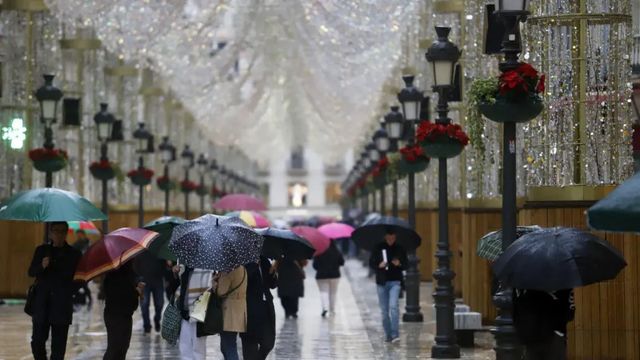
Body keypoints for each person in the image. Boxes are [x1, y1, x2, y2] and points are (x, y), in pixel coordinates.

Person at [27, 221, 82, 360]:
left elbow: (81, 278)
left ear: (66, 233)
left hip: (62, 305)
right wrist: (42, 266)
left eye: (62, 231)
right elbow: (31, 272)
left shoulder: (74, 254)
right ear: (50, 232)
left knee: (58, 348)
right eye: (55, 230)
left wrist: (69, 291)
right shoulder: (41, 250)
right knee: (37, 342)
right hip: (41, 305)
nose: (58, 234)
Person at [368, 228, 408, 343]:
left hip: (395, 281)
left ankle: (395, 334)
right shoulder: (378, 247)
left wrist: (399, 263)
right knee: (384, 312)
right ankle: (388, 334)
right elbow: (371, 263)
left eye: (393, 238)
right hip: (381, 282)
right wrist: (378, 265)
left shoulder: (400, 248)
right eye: (389, 238)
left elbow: (406, 265)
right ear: (385, 237)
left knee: (394, 307)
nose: (391, 240)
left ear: (395, 237)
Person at [513, 288, 575, 360]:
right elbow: (570, 315)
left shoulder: (521, 281)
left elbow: (514, 309)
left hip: (529, 335)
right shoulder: (563, 280)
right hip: (556, 334)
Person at [102, 261, 145, 360]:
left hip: (126, 314)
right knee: (115, 348)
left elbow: (135, 277)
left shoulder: (127, 270)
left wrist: (138, 284)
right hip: (115, 315)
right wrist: (136, 292)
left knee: (122, 347)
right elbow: (120, 294)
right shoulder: (113, 274)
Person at [240, 256, 278, 360]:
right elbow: (244, 281)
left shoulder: (264, 260)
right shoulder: (243, 260)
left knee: (268, 343)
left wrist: (273, 272)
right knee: (249, 343)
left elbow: (272, 284)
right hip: (249, 307)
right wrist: (254, 265)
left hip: (266, 307)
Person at [176, 264, 214, 360]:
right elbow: (182, 286)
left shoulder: (207, 266)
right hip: (185, 311)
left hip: (199, 312)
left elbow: (208, 289)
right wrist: (177, 273)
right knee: (184, 344)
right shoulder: (185, 265)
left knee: (198, 347)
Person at [215, 265, 248, 360]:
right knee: (228, 345)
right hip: (240, 310)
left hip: (229, 312)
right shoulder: (243, 269)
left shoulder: (228, 271)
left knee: (228, 346)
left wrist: (217, 280)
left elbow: (221, 291)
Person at [134, 251, 166, 333]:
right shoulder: (139, 252)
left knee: (160, 304)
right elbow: (135, 267)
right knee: (144, 305)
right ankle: (146, 325)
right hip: (144, 282)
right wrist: (138, 280)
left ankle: (157, 319)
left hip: (157, 281)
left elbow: (164, 266)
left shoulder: (159, 250)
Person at [313, 241, 344, 317]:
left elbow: (315, 265)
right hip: (335, 275)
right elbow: (342, 262)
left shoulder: (319, 251)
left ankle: (325, 308)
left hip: (321, 275)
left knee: (323, 292)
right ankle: (332, 310)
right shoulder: (336, 251)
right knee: (333, 293)